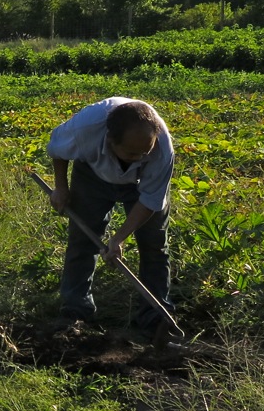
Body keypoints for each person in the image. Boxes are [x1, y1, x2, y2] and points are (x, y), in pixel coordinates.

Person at [45, 96, 176, 332]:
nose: (140, 157)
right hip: (92, 174)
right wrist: (61, 188)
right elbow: (58, 148)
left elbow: (149, 200)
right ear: (110, 140)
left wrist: (118, 238)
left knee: (154, 244)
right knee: (82, 240)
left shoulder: (162, 149)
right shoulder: (86, 127)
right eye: (131, 154)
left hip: (140, 184)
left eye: (145, 152)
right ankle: (76, 310)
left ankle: (155, 318)